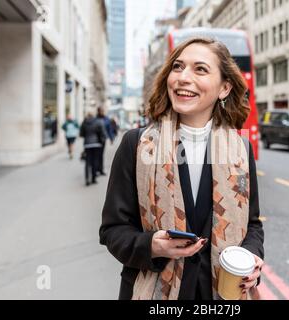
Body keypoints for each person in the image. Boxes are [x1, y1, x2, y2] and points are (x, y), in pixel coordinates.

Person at [99, 37, 264, 300]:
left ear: (224, 88)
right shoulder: (136, 144)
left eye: (200, 69)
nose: (183, 77)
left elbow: (252, 225)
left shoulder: (240, 149)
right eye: (178, 67)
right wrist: (151, 245)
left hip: (222, 294)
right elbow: (112, 230)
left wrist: (253, 259)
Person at [80, 112, 105, 186]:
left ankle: (87, 179)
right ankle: (93, 178)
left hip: (87, 144)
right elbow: (101, 133)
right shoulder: (97, 122)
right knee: (95, 161)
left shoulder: (84, 122)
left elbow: (81, 134)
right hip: (96, 144)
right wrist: (101, 141)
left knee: (87, 162)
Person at [96, 107, 113, 176]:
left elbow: (109, 129)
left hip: (103, 139)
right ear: (98, 111)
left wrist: (111, 138)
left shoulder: (106, 119)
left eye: (103, 111)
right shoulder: (96, 119)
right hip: (96, 139)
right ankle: (96, 169)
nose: (102, 112)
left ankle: (101, 169)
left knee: (101, 154)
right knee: (97, 154)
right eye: (101, 111)